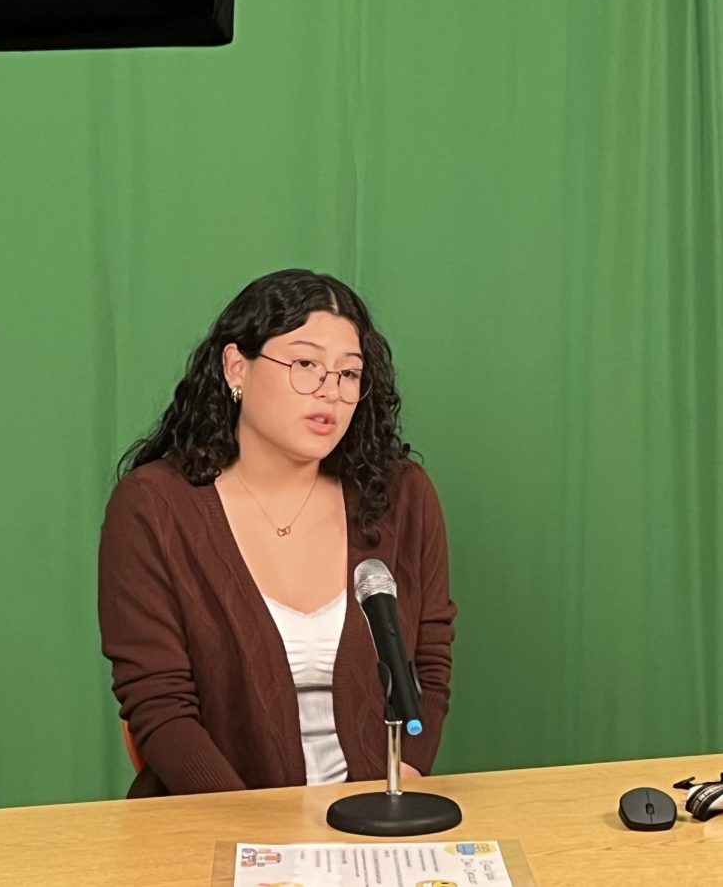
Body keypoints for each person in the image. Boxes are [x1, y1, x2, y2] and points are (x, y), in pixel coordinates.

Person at [98, 268, 456, 798]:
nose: (330, 392)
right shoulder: (154, 507)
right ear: (236, 366)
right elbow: (160, 708)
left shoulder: (402, 495)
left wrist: (405, 775)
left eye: (349, 374)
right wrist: (260, 834)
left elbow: (429, 662)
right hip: (218, 826)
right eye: (305, 364)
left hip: (366, 823)